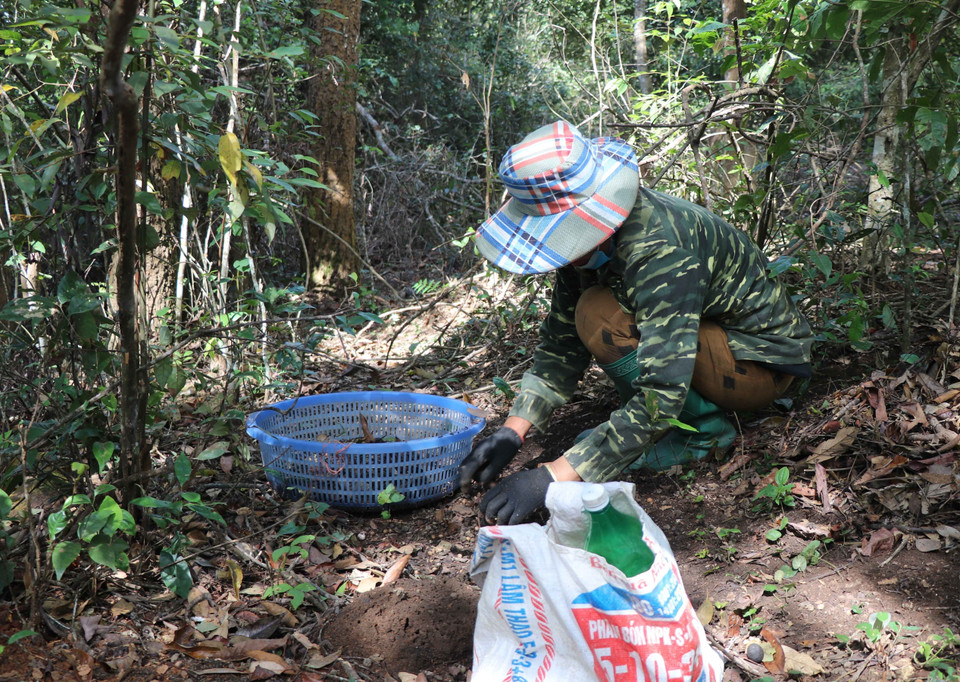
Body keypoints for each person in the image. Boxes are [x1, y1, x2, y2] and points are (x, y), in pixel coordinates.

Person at [458, 120, 813, 525]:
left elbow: (661, 394)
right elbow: (560, 344)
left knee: (600, 316)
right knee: (588, 310)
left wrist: (552, 477)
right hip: (713, 347)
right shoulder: (592, 247)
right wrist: (514, 429)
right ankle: (674, 425)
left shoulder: (659, 251)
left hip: (760, 364)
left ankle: (703, 432)